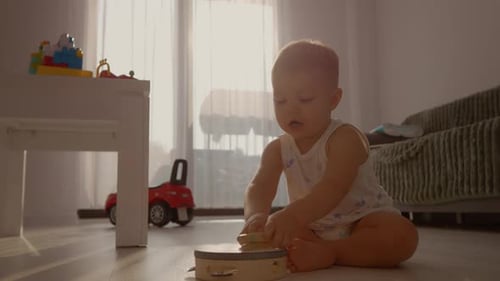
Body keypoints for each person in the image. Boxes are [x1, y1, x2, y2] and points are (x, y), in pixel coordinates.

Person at [240, 39, 418, 272]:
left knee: (401, 236)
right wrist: (256, 215)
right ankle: (318, 249)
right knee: (277, 233)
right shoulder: (277, 149)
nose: (290, 109)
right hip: (311, 226)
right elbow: (259, 185)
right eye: (280, 100)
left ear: (333, 100)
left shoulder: (345, 139)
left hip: (362, 221)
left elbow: (334, 186)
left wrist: (294, 215)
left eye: (304, 99)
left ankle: (333, 252)